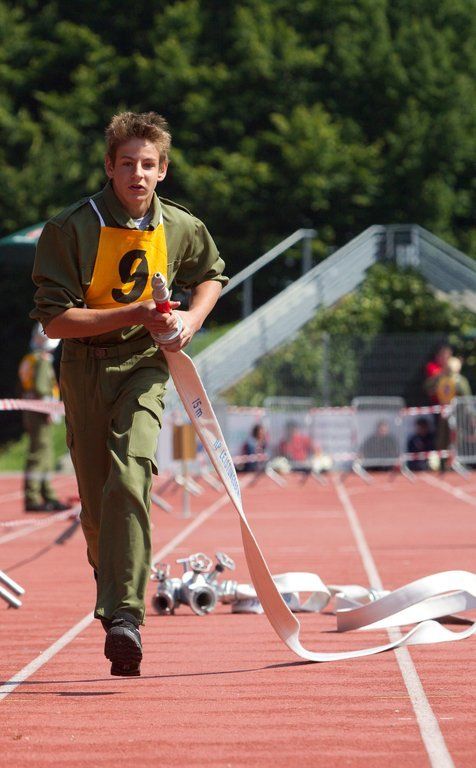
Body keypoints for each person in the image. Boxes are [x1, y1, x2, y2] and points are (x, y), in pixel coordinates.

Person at [31, 111, 227, 676]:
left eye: (147, 164)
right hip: (85, 368)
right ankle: (113, 573)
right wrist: (136, 311)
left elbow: (212, 274)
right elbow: (55, 321)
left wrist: (190, 319)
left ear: (163, 170)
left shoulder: (182, 226)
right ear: (109, 167)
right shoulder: (70, 229)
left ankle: (125, 617)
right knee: (97, 510)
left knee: (131, 472)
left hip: (145, 365)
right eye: (126, 164)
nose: (137, 174)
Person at [18, 324, 71, 512]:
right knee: (40, 453)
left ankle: (46, 493)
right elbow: (41, 388)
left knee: (44, 452)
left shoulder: (31, 359)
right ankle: (34, 496)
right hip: (40, 413)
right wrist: (48, 410)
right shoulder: (41, 361)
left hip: (34, 411)